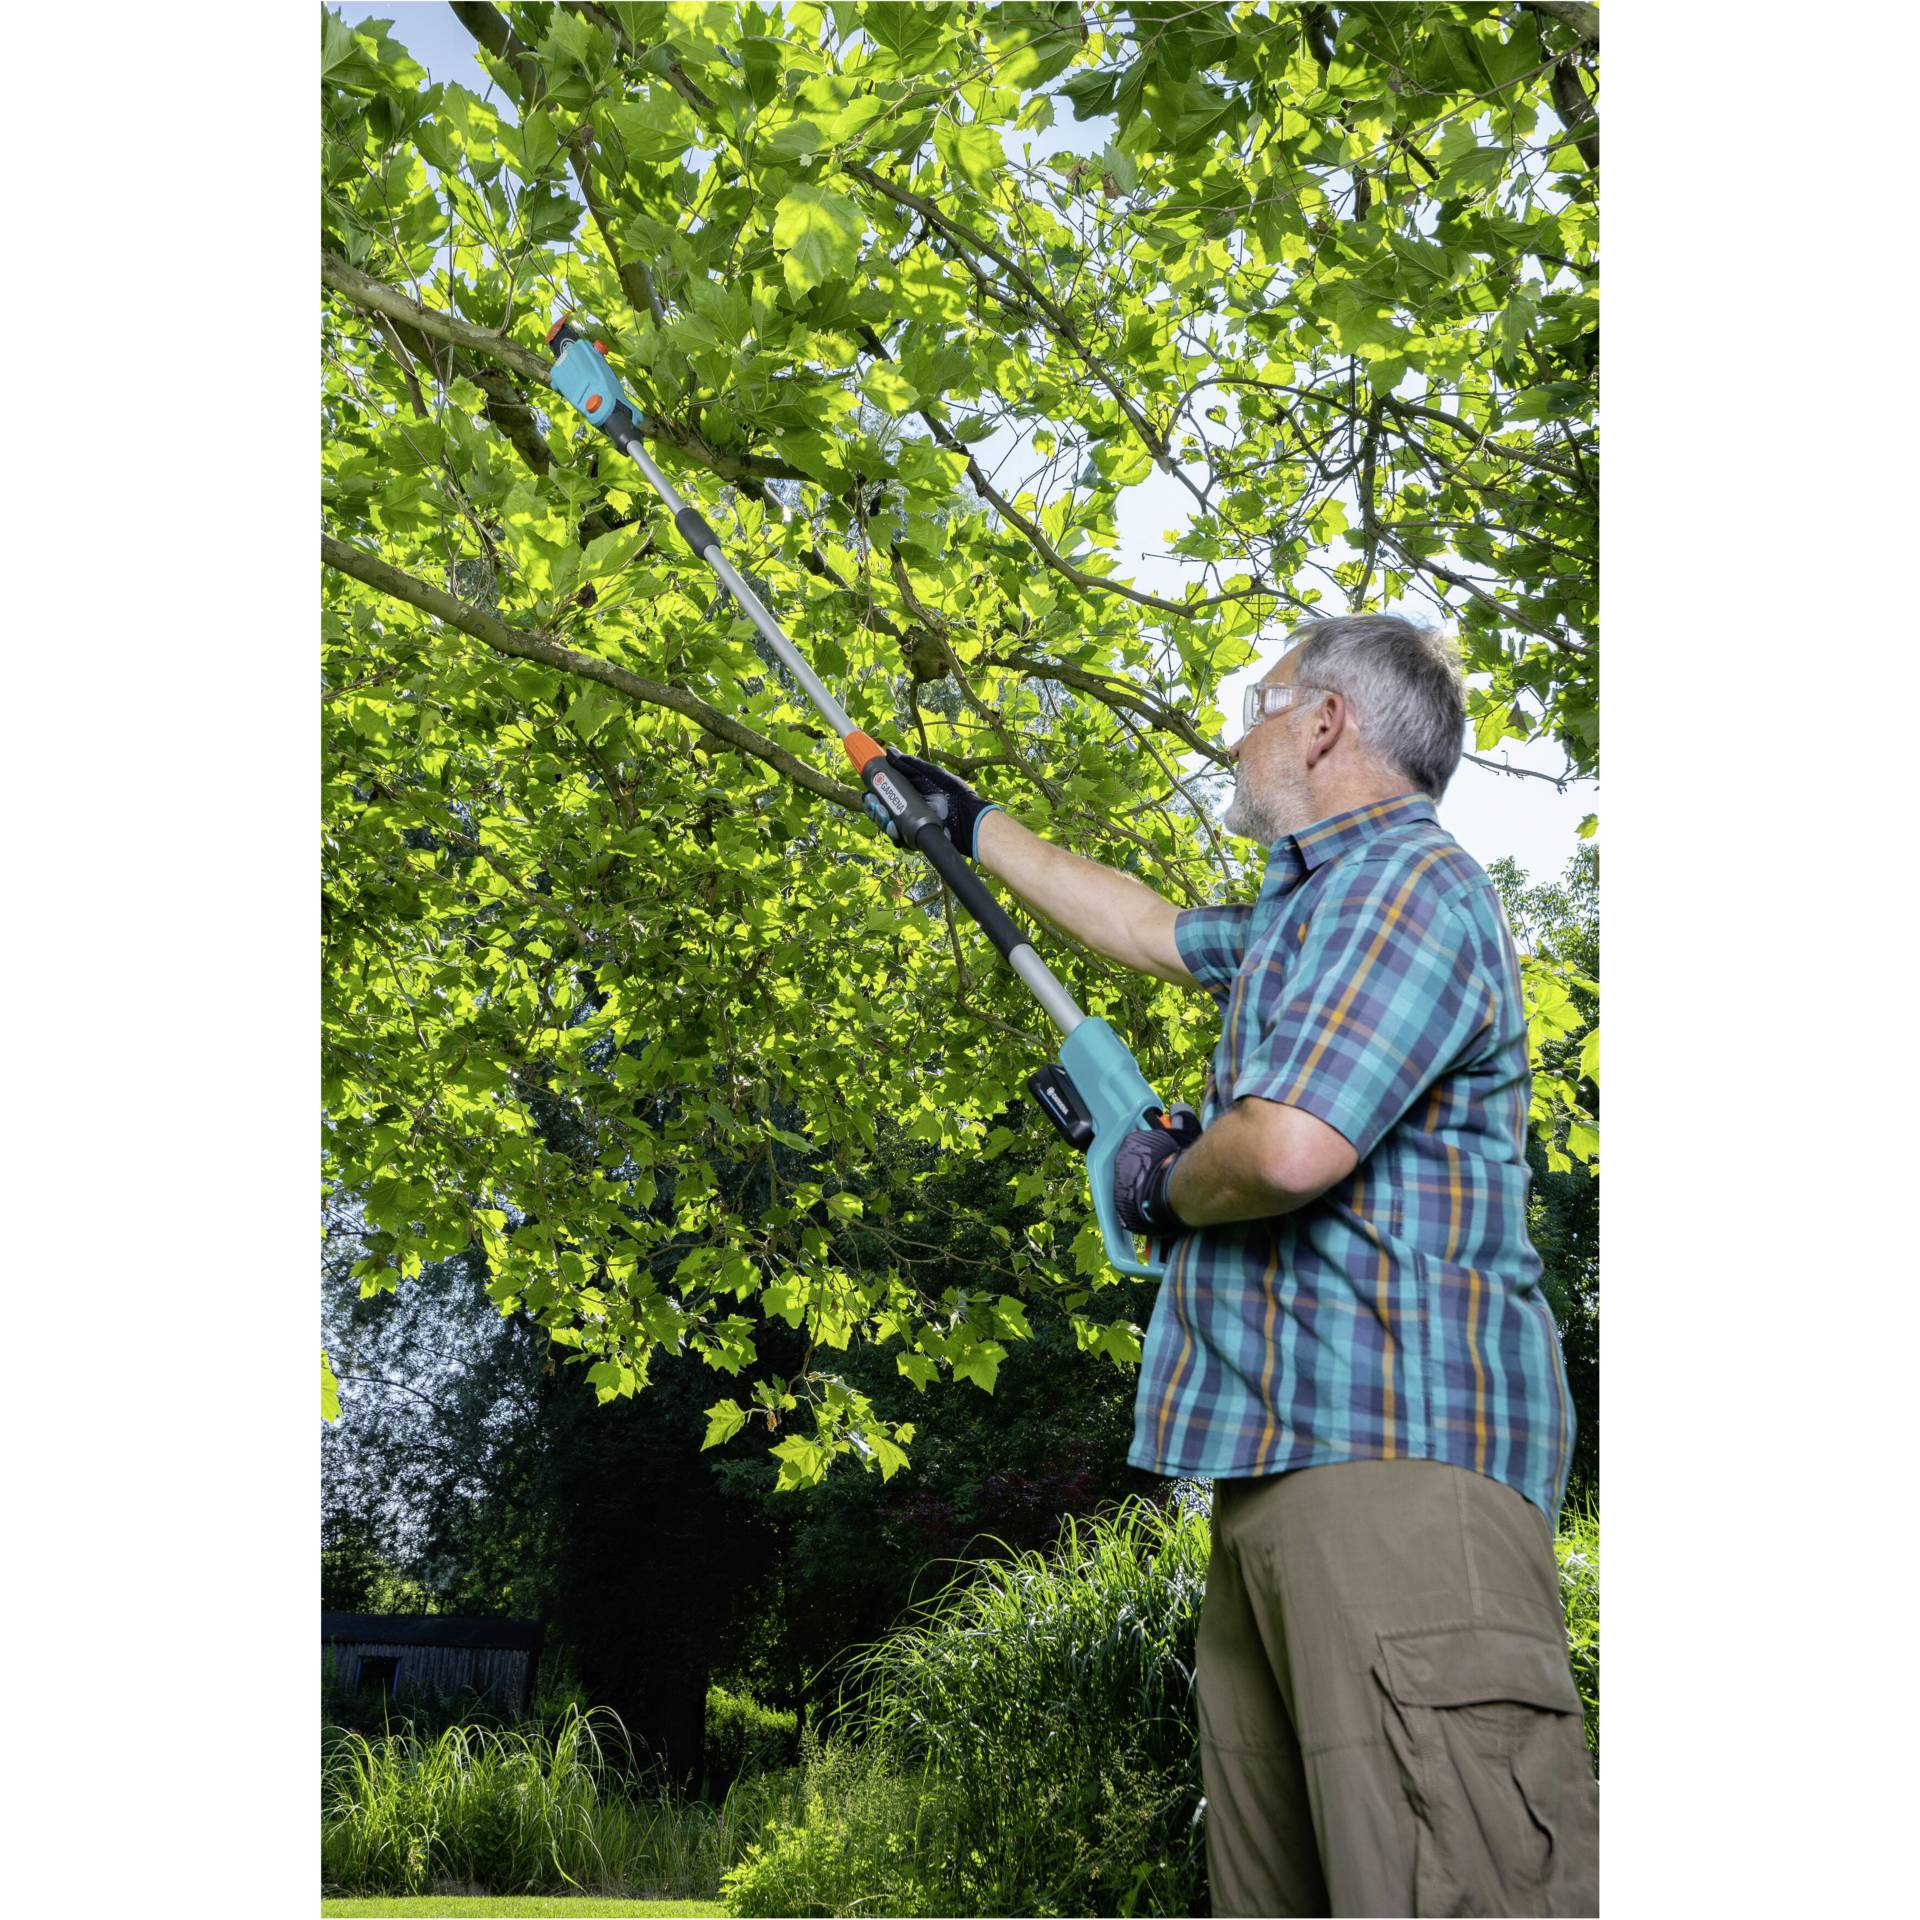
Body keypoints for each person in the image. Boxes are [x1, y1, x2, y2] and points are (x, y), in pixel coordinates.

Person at [876, 614, 1599, 1917]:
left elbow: (1282, 1153)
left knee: (1455, 1880)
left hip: (1399, 1469)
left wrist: (1160, 1184)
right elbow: (1150, 931)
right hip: (1285, 1473)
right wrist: (971, 826)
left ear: (1327, 723)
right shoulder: (1308, 914)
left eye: (1262, 703)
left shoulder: (1406, 890)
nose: (1238, 730)